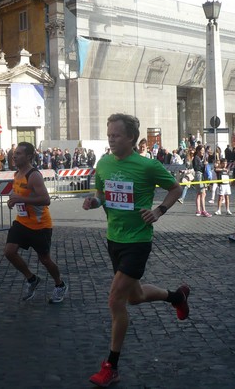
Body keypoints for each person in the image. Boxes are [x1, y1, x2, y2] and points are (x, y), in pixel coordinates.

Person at [82, 113, 187, 387]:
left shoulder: (147, 166)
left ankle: (111, 366)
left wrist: (159, 210)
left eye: (116, 135)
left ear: (131, 138)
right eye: (109, 135)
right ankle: (175, 297)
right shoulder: (103, 163)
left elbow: (176, 189)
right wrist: (93, 202)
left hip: (138, 241)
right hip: (113, 239)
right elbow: (103, 195)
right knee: (135, 297)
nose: (111, 139)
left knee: (115, 300)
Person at [4, 142, 67, 303]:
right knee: (9, 252)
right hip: (22, 222)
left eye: (18, 153)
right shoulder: (17, 174)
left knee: (45, 259)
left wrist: (21, 199)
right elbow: (17, 193)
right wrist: (13, 199)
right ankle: (32, 279)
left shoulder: (34, 175)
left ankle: (59, 284)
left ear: (29, 157)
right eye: (15, 153)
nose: (14, 155)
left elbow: (46, 200)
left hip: (40, 225)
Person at [192, 145, 211, 217]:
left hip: (201, 175)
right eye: (201, 151)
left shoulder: (200, 158)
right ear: (198, 151)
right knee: (202, 193)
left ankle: (198, 210)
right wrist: (204, 164)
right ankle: (203, 210)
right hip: (199, 176)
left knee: (200, 194)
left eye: (203, 151)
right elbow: (197, 168)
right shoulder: (196, 158)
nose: (203, 152)